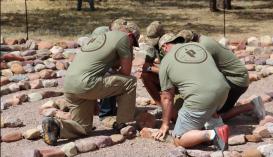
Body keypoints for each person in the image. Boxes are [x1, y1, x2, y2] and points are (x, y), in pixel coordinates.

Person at [41, 18, 140, 146]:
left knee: (83, 127)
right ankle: (122, 124)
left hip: (70, 85)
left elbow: (93, 69)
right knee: (130, 81)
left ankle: (55, 126)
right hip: (86, 84)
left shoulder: (98, 38)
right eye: (133, 43)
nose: (131, 46)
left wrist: (93, 99)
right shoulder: (124, 38)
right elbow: (126, 72)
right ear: (130, 35)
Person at [153, 33, 230, 150]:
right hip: (223, 90)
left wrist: (165, 125)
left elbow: (167, 98)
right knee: (205, 95)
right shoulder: (199, 47)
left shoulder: (166, 60)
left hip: (201, 98)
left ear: (164, 47)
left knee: (179, 138)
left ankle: (213, 134)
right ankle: (217, 123)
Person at [198, 35, 265, 121]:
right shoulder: (204, 40)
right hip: (236, 77)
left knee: (216, 117)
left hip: (236, 81)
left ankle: (251, 106)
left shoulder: (203, 47)